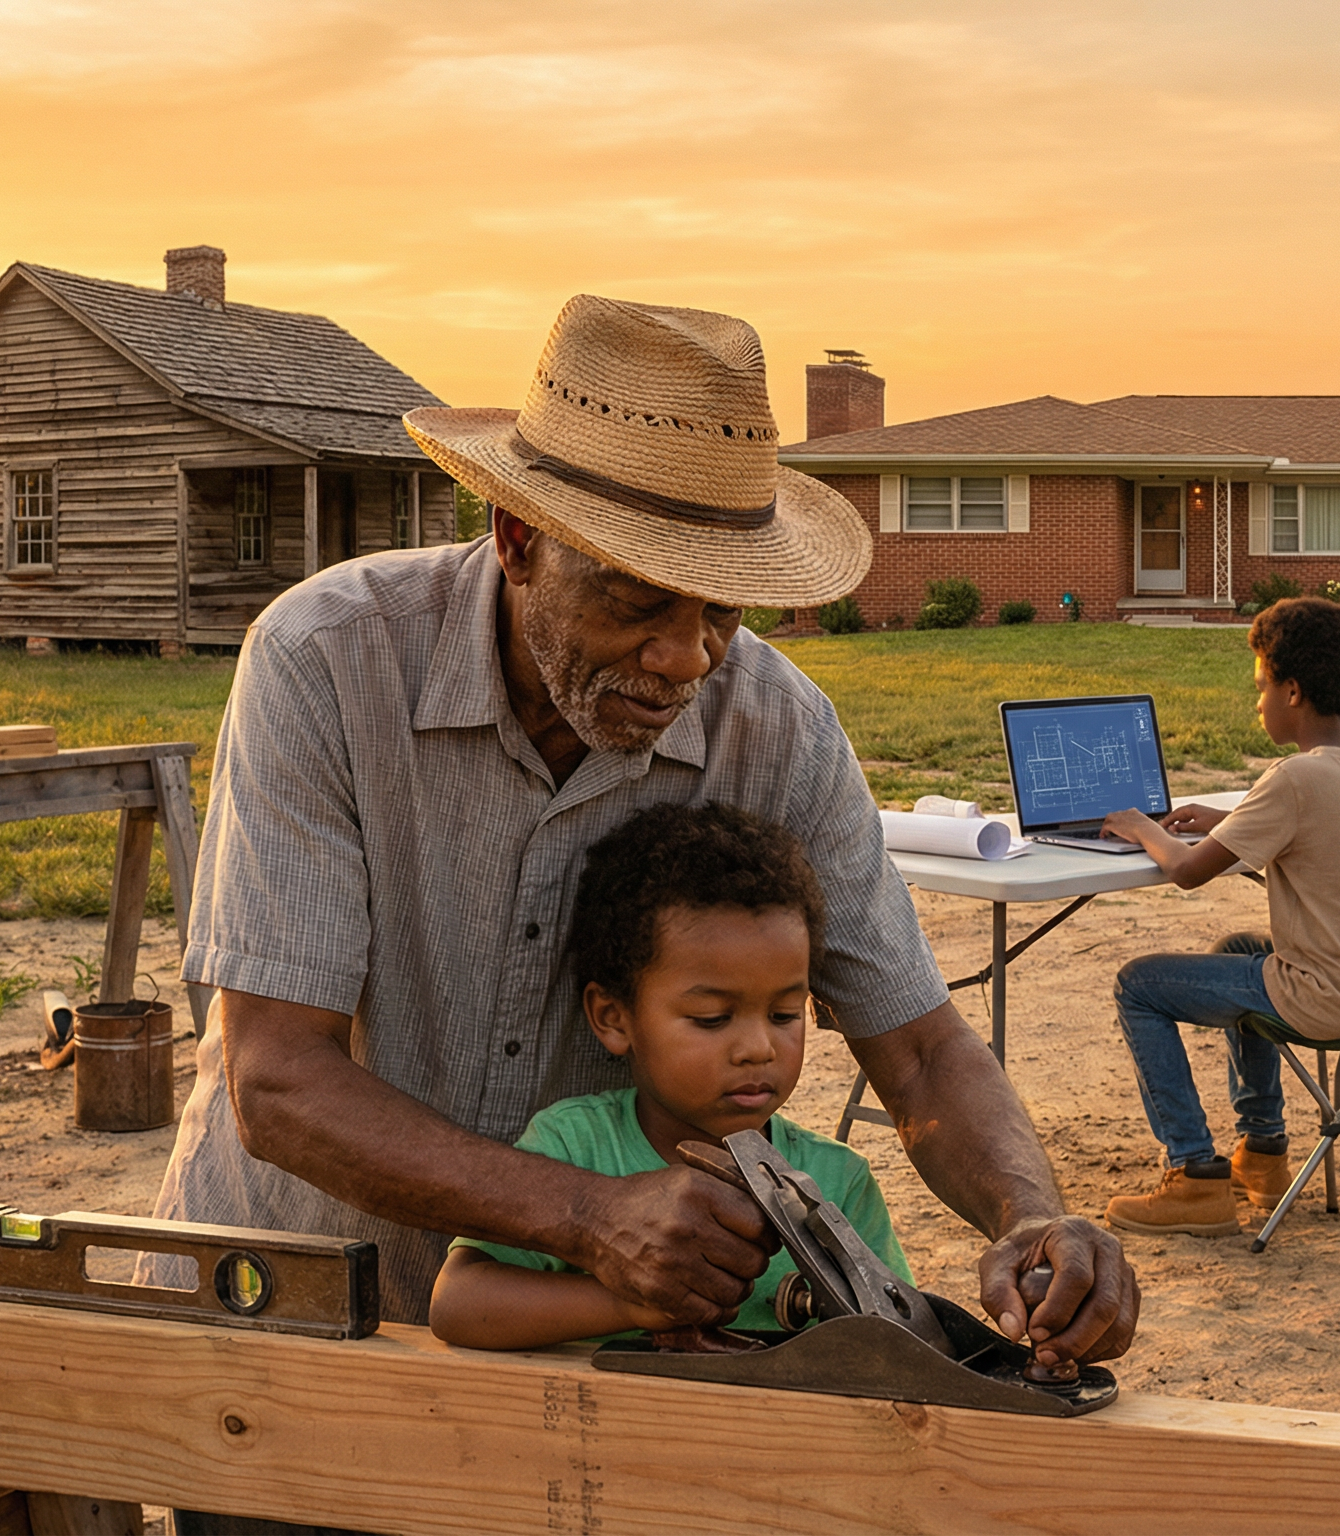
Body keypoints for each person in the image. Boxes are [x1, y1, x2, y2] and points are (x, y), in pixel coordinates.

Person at [149, 296, 1136, 1503]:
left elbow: (921, 1052)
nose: (687, 658)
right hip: (290, 1319)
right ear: (516, 536)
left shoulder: (777, 730)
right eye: (635, 599)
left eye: (723, 606)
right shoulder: (327, 660)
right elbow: (280, 1082)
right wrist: (586, 1214)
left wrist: (1030, 1219)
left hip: (580, 1375)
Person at [430, 803, 907, 1349]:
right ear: (613, 1018)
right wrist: (631, 1302)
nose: (758, 1048)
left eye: (784, 1014)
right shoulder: (573, 1147)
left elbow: (895, 1343)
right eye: (712, 1019)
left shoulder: (838, 1182)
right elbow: (458, 1303)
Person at [1095, 597, 1340, 1236]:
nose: (1257, 703)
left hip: (1327, 997)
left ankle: (1192, 1177)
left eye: (1261, 687)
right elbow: (1320, 845)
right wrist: (1228, 825)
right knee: (1240, 946)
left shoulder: (1294, 778)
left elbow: (1187, 873)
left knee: (1136, 984)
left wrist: (1139, 827)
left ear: (1292, 690)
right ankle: (1263, 1152)